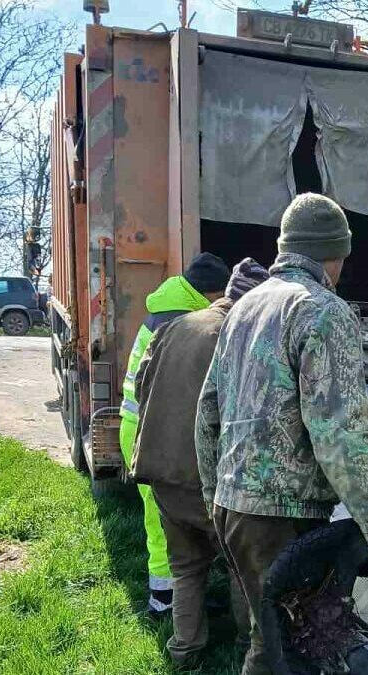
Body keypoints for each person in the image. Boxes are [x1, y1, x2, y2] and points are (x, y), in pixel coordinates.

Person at [196, 193, 368, 675]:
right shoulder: (324, 311)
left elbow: (207, 413)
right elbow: (341, 434)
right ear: (334, 255)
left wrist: (214, 494)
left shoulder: (244, 309)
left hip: (235, 508)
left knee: (269, 637)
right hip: (282, 518)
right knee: (287, 649)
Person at [131, 258, 269, 668]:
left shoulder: (175, 325)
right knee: (242, 566)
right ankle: (248, 648)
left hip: (159, 470)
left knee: (187, 567)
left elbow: (141, 386)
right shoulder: (236, 336)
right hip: (202, 476)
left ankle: (185, 650)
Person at [119, 252, 230, 616]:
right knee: (161, 518)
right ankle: (163, 602)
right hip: (149, 430)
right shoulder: (183, 318)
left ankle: (177, 596)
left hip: (138, 424)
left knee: (163, 514)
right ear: (212, 295)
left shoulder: (168, 303)